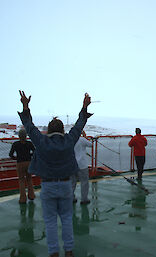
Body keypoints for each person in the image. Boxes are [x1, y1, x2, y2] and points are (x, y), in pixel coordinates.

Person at [18, 90, 92, 257]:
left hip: (48, 186)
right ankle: (69, 251)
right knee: (67, 219)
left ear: (49, 130)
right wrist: (84, 107)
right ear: (61, 130)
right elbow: (79, 125)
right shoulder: (69, 140)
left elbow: (29, 126)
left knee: (50, 221)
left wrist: (25, 106)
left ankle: (53, 253)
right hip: (66, 185)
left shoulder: (41, 141)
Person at [9, 128, 36, 203]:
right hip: (28, 162)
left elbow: (10, 154)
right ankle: (31, 196)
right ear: (26, 135)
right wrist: (29, 155)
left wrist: (16, 158)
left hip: (20, 163)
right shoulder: (29, 143)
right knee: (29, 179)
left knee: (21, 180)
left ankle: (22, 199)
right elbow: (35, 152)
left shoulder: (15, 144)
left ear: (19, 136)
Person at [71, 130, 93, 204]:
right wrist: (85, 137)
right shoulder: (82, 140)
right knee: (84, 182)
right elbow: (91, 144)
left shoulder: (70, 139)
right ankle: (84, 199)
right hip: (82, 165)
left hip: (72, 165)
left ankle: (71, 198)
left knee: (72, 183)